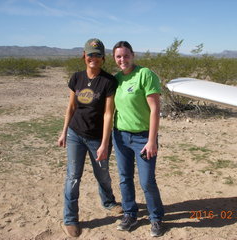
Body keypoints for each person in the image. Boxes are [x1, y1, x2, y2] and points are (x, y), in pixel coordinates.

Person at [57, 38, 121, 237]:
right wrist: (64, 131)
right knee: (73, 177)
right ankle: (70, 218)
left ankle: (108, 202)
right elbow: (71, 107)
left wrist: (104, 143)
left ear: (103, 58)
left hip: (97, 138)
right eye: (90, 54)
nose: (93, 58)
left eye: (98, 54)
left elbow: (108, 114)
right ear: (84, 56)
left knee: (102, 174)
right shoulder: (76, 78)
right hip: (76, 134)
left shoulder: (109, 81)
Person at [112, 41, 165, 237]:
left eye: (126, 55)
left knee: (147, 181)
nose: (122, 60)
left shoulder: (145, 75)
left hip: (143, 137)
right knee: (125, 178)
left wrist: (152, 140)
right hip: (120, 136)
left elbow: (155, 109)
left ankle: (156, 218)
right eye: (119, 56)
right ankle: (129, 214)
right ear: (114, 59)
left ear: (132, 55)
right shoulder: (116, 79)